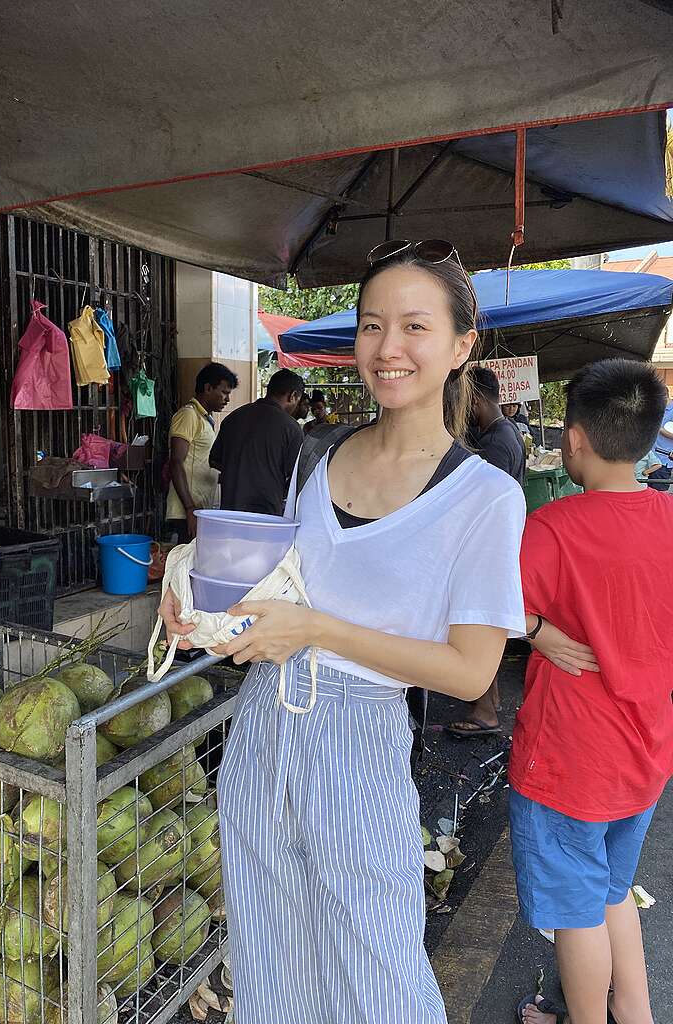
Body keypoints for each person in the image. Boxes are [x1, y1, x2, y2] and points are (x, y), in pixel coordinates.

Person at [162, 239, 526, 1024]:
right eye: (370, 326)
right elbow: (279, 592)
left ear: (462, 344)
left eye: (414, 327)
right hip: (263, 723)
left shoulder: (485, 497)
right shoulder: (317, 455)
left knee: (378, 973)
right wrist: (201, 598)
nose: (387, 348)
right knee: (269, 960)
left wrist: (316, 629)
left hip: (360, 739)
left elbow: (468, 673)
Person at [510, 359, 672, 1024]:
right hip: (645, 752)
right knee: (610, 893)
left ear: (574, 439)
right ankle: (632, 1014)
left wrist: (540, 628)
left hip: (568, 758)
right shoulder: (667, 516)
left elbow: (486, 606)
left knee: (577, 914)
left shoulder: (553, 527)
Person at [446, 365, 526, 738]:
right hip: (493, 548)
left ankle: (485, 711)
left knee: (476, 631)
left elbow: (477, 504)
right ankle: (487, 706)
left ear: (473, 399)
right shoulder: (505, 433)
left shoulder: (496, 443)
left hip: (485, 551)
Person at [209, 368, 304, 516]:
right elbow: (296, 477)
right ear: (293, 396)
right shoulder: (291, 428)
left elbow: (215, 460)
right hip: (267, 515)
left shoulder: (233, 418)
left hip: (230, 513)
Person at [166, 362, 238, 542]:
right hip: (186, 512)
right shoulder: (188, 415)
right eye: (224, 392)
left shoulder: (205, 418)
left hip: (199, 509)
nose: (227, 399)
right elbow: (176, 462)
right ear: (207, 388)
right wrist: (190, 509)